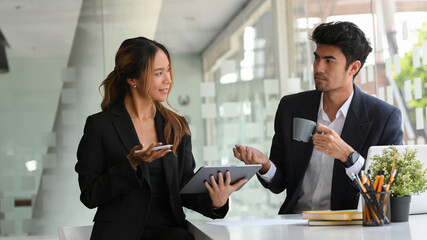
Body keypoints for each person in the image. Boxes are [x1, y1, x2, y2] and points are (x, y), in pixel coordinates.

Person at [75, 37, 247, 240]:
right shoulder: (100, 126)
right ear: (132, 79)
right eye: (158, 73)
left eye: (168, 70)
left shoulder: (176, 125)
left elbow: (182, 186)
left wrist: (215, 201)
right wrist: (131, 164)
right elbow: (90, 195)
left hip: (170, 233)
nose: (168, 80)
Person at [233, 21, 403, 214]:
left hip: (349, 227)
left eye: (329, 61)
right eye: (317, 58)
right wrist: (265, 165)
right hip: (296, 224)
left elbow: (389, 189)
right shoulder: (291, 108)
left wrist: (348, 157)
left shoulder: (384, 118)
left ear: (353, 68)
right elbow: (280, 183)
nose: (318, 67)